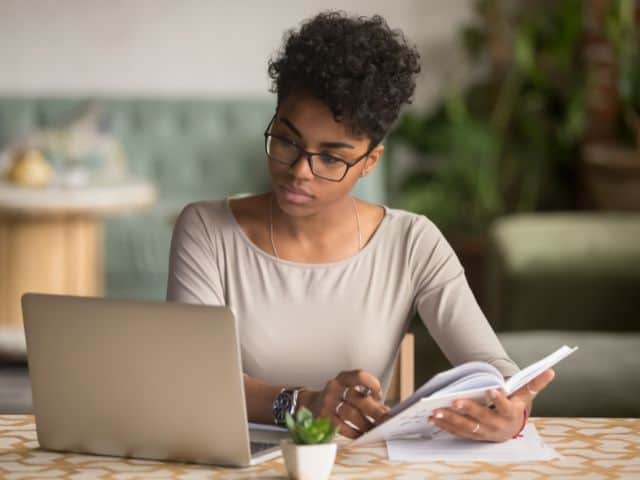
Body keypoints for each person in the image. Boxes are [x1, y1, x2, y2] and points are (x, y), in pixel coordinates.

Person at [166, 10, 554, 442]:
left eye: (331, 157)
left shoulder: (412, 242)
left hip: (360, 465)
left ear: (370, 161)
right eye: (287, 140)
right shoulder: (205, 229)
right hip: (237, 464)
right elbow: (191, 376)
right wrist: (303, 404)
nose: (299, 171)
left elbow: (491, 364)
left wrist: (512, 409)